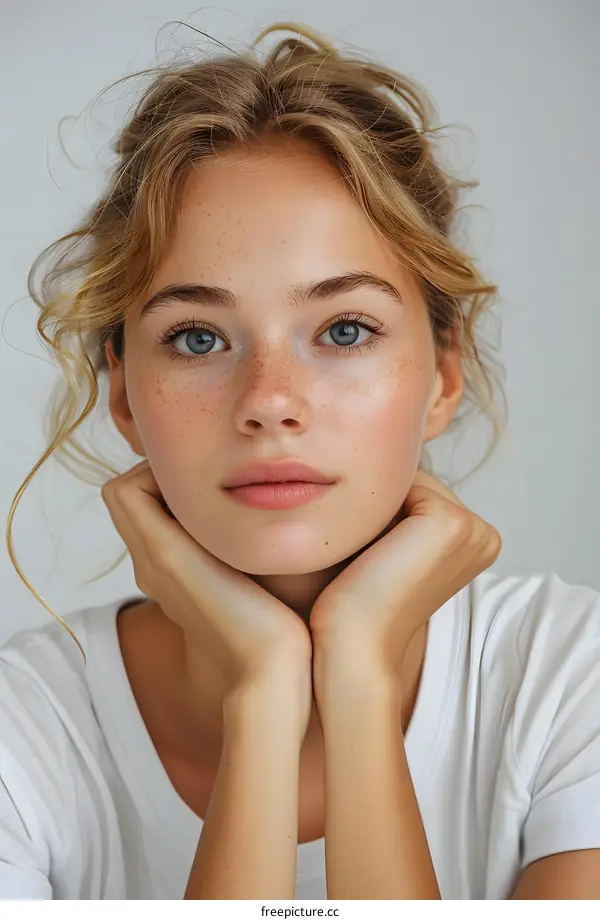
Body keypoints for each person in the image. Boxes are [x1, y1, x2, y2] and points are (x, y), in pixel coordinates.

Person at [1, 19, 599, 901]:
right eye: (198, 336)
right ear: (123, 394)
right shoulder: (23, 731)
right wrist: (263, 695)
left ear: (441, 373)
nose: (269, 399)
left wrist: (352, 674)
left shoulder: (567, 678)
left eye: (345, 329)